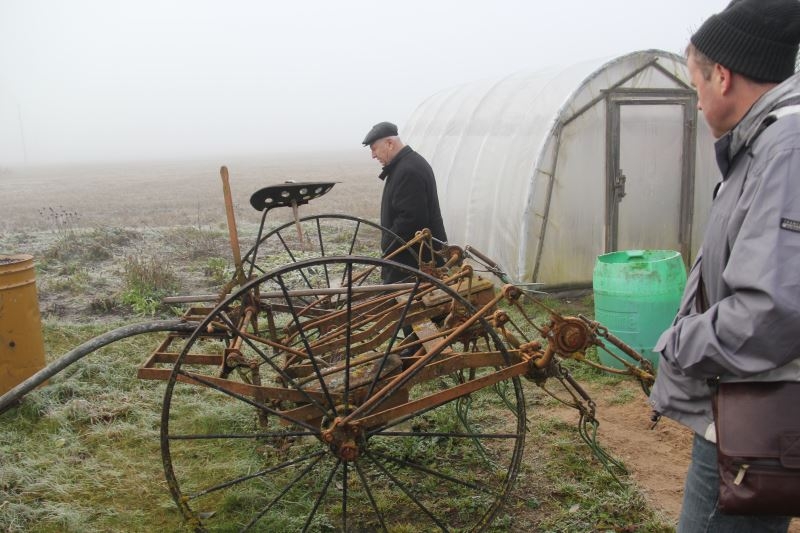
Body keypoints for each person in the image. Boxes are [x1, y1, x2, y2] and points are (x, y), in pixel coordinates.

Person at [649, 0, 800, 531]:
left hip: (751, 425)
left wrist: (678, 343)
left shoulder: (786, 150)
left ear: (723, 75)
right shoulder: (762, 145)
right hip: (744, 413)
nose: (696, 101)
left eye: (695, 84)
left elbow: (772, 309)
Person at [362, 121, 448, 283]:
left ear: (389, 143)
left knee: (405, 306)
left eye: (374, 148)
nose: (373, 155)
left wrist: (388, 247)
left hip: (411, 263)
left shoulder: (408, 170)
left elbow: (412, 220)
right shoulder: (406, 165)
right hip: (410, 260)